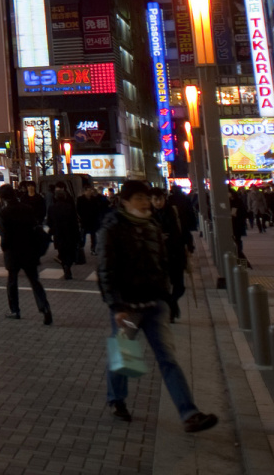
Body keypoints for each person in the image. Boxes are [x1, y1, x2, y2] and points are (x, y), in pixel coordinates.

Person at [98, 180, 219, 432]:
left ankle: (189, 413)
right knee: (124, 357)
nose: (145, 203)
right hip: (129, 306)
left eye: (147, 198)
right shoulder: (113, 228)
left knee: (168, 359)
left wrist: (167, 296)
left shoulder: (153, 225)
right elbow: (106, 270)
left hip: (155, 305)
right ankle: (117, 399)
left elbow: (161, 261)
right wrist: (116, 305)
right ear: (125, 201)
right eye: (139, 198)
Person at [0, 187, 52, 325]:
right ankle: (44, 307)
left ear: (2, 197)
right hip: (29, 249)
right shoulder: (27, 208)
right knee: (34, 281)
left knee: (12, 282)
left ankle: (15, 310)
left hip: (13, 251)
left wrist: (4, 248)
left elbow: (5, 234)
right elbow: (34, 226)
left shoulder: (4, 211)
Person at [150, 187, 188, 322]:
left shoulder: (173, 211)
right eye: (155, 200)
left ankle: (172, 303)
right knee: (163, 287)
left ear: (164, 198)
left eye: (160, 199)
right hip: (159, 257)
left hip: (176, 253)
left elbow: (183, 229)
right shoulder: (149, 215)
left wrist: (189, 246)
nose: (158, 202)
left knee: (180, 286)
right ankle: (170, 311)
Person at [48, 185, 82, 281]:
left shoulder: (52, 208)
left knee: (62, 253)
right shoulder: (70, 207)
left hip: (58, 234)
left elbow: (49, 222)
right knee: (70, 252)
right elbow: (75, 222)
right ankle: (68, 265)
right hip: (70, 233)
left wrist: (52, 231)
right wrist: (78, 235)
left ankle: (65, 267)